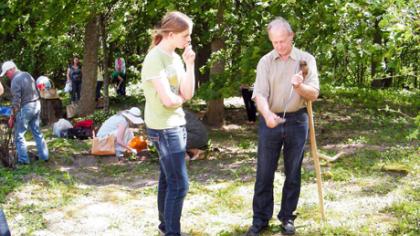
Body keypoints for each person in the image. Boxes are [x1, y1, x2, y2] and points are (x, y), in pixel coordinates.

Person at [246, 17, 320, 236]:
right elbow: (259, 94)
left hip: (297, 120)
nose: (279, 46)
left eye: (282, 41)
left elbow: (314, 93)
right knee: (264, 172)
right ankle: (260, 219)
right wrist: (267, 115)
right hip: (270, 120)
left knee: (293, 172)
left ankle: (287, 217)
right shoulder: (266, 62)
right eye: (274, 42)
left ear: (291, 36)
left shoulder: (306, 60)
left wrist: (299, 87)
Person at [141, 11, 195, 236]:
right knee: (180, 184)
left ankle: (165, 227)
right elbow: (169, 100)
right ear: (171, 34)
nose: (188, 40)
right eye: (185, 36)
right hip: (163, 128)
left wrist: (190, 65)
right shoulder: (155, 58)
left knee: (168, 179)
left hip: (177, 124)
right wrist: (179, 99)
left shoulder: (175, 57)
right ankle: (172, 232)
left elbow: (187, 93)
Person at [0, 61, 49, 164]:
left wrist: (12, 117)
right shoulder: (27, 74)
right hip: (36, 104)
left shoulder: (15, 80)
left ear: (11, 69)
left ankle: (23, 160)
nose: (7, 76)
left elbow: (16, 102)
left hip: (26, 108)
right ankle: (44, 156)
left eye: (7, 73)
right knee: (37, 132)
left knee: (19, 135)